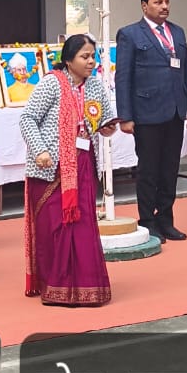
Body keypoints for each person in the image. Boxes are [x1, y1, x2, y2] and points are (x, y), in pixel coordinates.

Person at [22, 34, 118, 306]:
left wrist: (107, 127)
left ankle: (87, 286)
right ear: (68, 60)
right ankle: (56, 286)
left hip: (83, 163)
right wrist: (40, 150)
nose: (91, 62)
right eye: (84, 57)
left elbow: (103, 119)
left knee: (82, 224)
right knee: (55, 225)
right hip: (51, 166)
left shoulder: (96, 86)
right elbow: (28, 118)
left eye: (93, 56)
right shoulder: (52, 83)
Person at [115, 0, 187, 242]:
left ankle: (165, 219)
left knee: (169, 169)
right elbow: (123, 77)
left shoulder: (178, 32)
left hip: (175, 111)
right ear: (145, 6)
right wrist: (125, 116)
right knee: (149, 170)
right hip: (146, 112)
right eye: (158, 2)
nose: (164, 6)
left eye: (166, 1)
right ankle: (147, 221)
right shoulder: (130, 34)